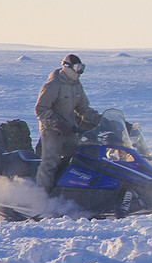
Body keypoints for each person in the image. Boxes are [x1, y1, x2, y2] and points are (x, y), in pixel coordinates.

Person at [34, 54, 102, 191]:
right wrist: (57, 123)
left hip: (70, 130)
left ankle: (68, 194)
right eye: (77, 68)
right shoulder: (53, 85)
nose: (79, 72)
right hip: (52, 131)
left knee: (78, 161)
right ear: (66, 67)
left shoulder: (76, 86)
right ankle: (42, 197)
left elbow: (83, 108)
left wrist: (102, 120)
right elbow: (41, 109)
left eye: (82, 68)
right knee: (50, 162)